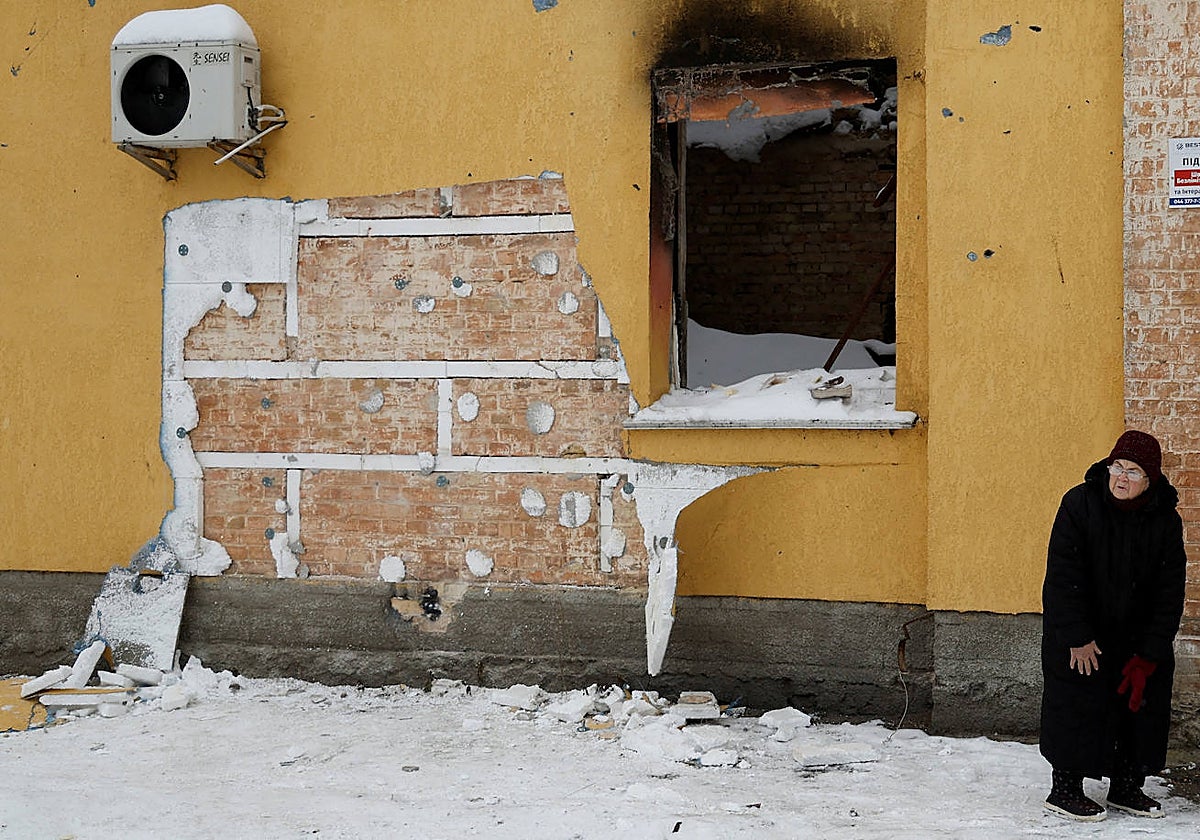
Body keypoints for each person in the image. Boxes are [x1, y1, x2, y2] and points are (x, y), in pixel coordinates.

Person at [1040, 430, 1187, 821]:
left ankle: (1126, 785)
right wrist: (1077, 636)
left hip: (1136, 637)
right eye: (1116, 467)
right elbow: (1062, 576)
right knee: (1077, 703)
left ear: (1150, 479)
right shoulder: (1079, 505)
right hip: (1083, 635)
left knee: (1140, 706)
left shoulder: (1165, 521)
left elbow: (1170, 590)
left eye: (1133, 472)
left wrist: (1152, 651)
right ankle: (1065, 787)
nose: (1121, 478)